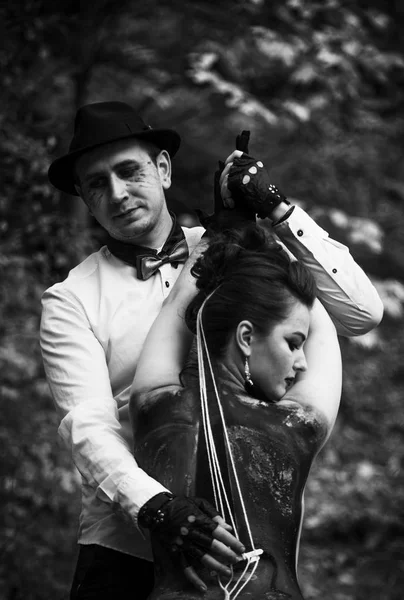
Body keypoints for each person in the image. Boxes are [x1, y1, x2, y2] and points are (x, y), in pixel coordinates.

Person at [40, 101, 383, 599]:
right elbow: (89, 430)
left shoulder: (232, 250)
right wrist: (157, 508)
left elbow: (361, 313)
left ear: (162, 168)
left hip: (248, 544)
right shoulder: (70, 300)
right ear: (86, 200)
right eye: (96, 183)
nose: (116, 193)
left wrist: (277, 211)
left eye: (128, 171)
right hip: (127, 552)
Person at [129, 224, 341, 600]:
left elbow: (176, 308)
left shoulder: (154, 406)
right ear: (245, 337)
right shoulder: (292, 427)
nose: (302, 362)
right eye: (293, 343)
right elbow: (324, 330)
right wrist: (263, 227)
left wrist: (214, 242)